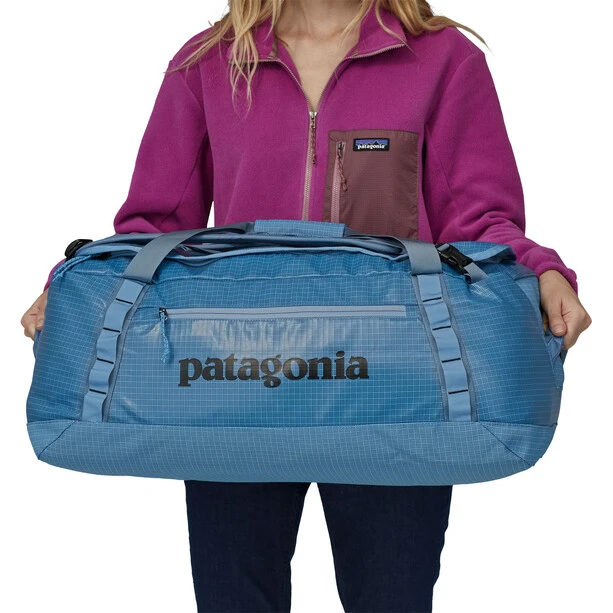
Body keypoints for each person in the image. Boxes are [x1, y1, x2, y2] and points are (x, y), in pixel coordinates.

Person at [21, 1, 592, 611]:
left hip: (395, 380)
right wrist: (73, 284)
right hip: (230, 381)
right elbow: (152, 227)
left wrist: (542, 269)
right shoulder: (206, 63)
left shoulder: (444, 59)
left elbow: (479, 221)